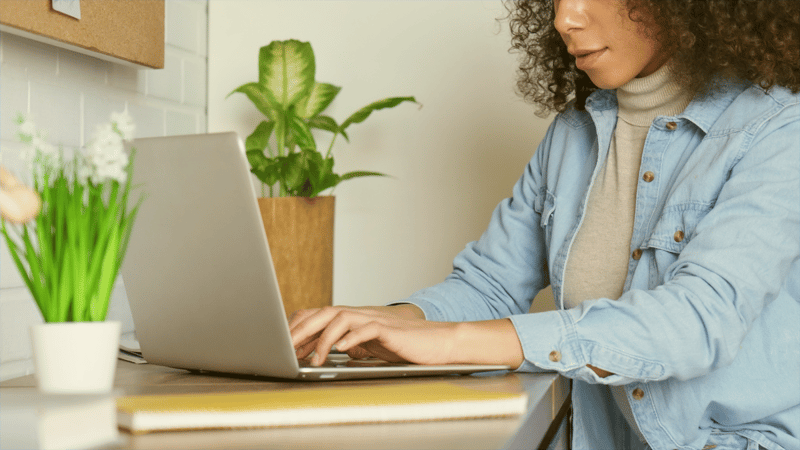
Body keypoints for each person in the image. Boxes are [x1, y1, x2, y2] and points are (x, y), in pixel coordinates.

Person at [290, 1, 799, 449]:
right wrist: (376, 323)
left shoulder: (780, 128)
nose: (564, 18)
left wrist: (450, 342)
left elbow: (696, 322)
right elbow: (488, 286)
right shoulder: (573, 133)